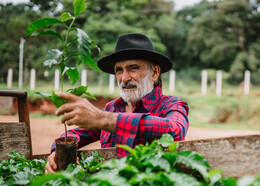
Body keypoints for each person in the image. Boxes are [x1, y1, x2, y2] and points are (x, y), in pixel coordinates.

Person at [45, 33, 189, 173]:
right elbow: (74, 135)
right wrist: (56, 152)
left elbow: (175, 131)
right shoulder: (112, 108)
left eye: (133, 68)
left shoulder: (171, 105)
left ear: (155, 73)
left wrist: (102, 118)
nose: (124, 78)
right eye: (119, 70)